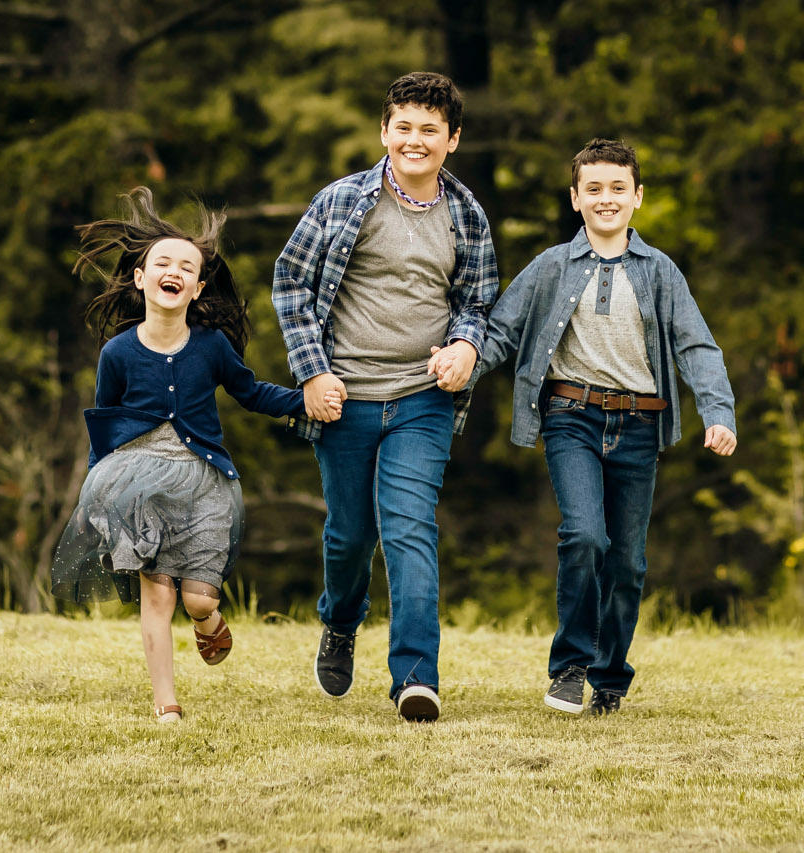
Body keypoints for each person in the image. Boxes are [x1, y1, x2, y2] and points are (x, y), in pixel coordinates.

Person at [475, 138, 738, 717]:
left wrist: (717, 411)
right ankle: (569, 666)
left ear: (637, 197)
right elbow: (501, 330)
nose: (606, 198)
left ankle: (610, 677)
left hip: (639, 427)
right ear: (575, 198)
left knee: (627, 562)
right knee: (585, 535)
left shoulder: (660, 272)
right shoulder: (550, 266)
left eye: (618, 188)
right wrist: (462, 362)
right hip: (571, 417)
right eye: (593, 188)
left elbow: (696, 345)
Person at [51, 188, 329, 724]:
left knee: (197, 600)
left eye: (186, 266)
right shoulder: (118, 353)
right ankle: (166, 705)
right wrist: (96, 491)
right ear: (141, 278)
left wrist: (308, 400)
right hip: (137, 480)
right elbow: (105, 423)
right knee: (157, 597)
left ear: (197, 288)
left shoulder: (210, 346)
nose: (173, 270)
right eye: (162, 262)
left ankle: (208, 622)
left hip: (204, 479)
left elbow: (251, 393)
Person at [272, 71, 499, 722]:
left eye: (431, 129)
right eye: (404, 126)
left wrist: (466, 347)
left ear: (452, 139)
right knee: (348, 537)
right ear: (384, 131)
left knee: (409, 530)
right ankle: (341, 621)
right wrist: (312, 372)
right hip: (346, 396)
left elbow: (476, 300)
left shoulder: (466, 214)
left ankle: (415, 678)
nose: (415, 139)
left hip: (422, 398)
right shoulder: (343, 201)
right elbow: (291, 282)